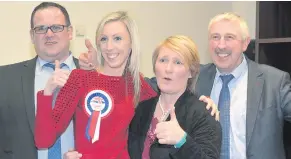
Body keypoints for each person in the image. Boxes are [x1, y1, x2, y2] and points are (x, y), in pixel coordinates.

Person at [34, 11, 158, 159]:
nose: (109, 47)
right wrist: (47, 92)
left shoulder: (138, 84)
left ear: (131, 44)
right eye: (104, 39)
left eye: (117, 38)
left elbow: (156, 132)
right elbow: (43, 141)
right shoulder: (80, 78)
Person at [0, 2, 79, 159]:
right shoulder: (4, 78)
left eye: (56, 27)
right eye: (41, 28)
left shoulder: (94, 76)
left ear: (70, 32)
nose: (49, 34)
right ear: (32, 36)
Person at [128, 35, 222, 159]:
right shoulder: (142, 109)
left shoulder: (202, 113)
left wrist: (182, 141)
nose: (168, 69)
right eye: (163, 60)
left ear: (191, 72)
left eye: (178, 62)